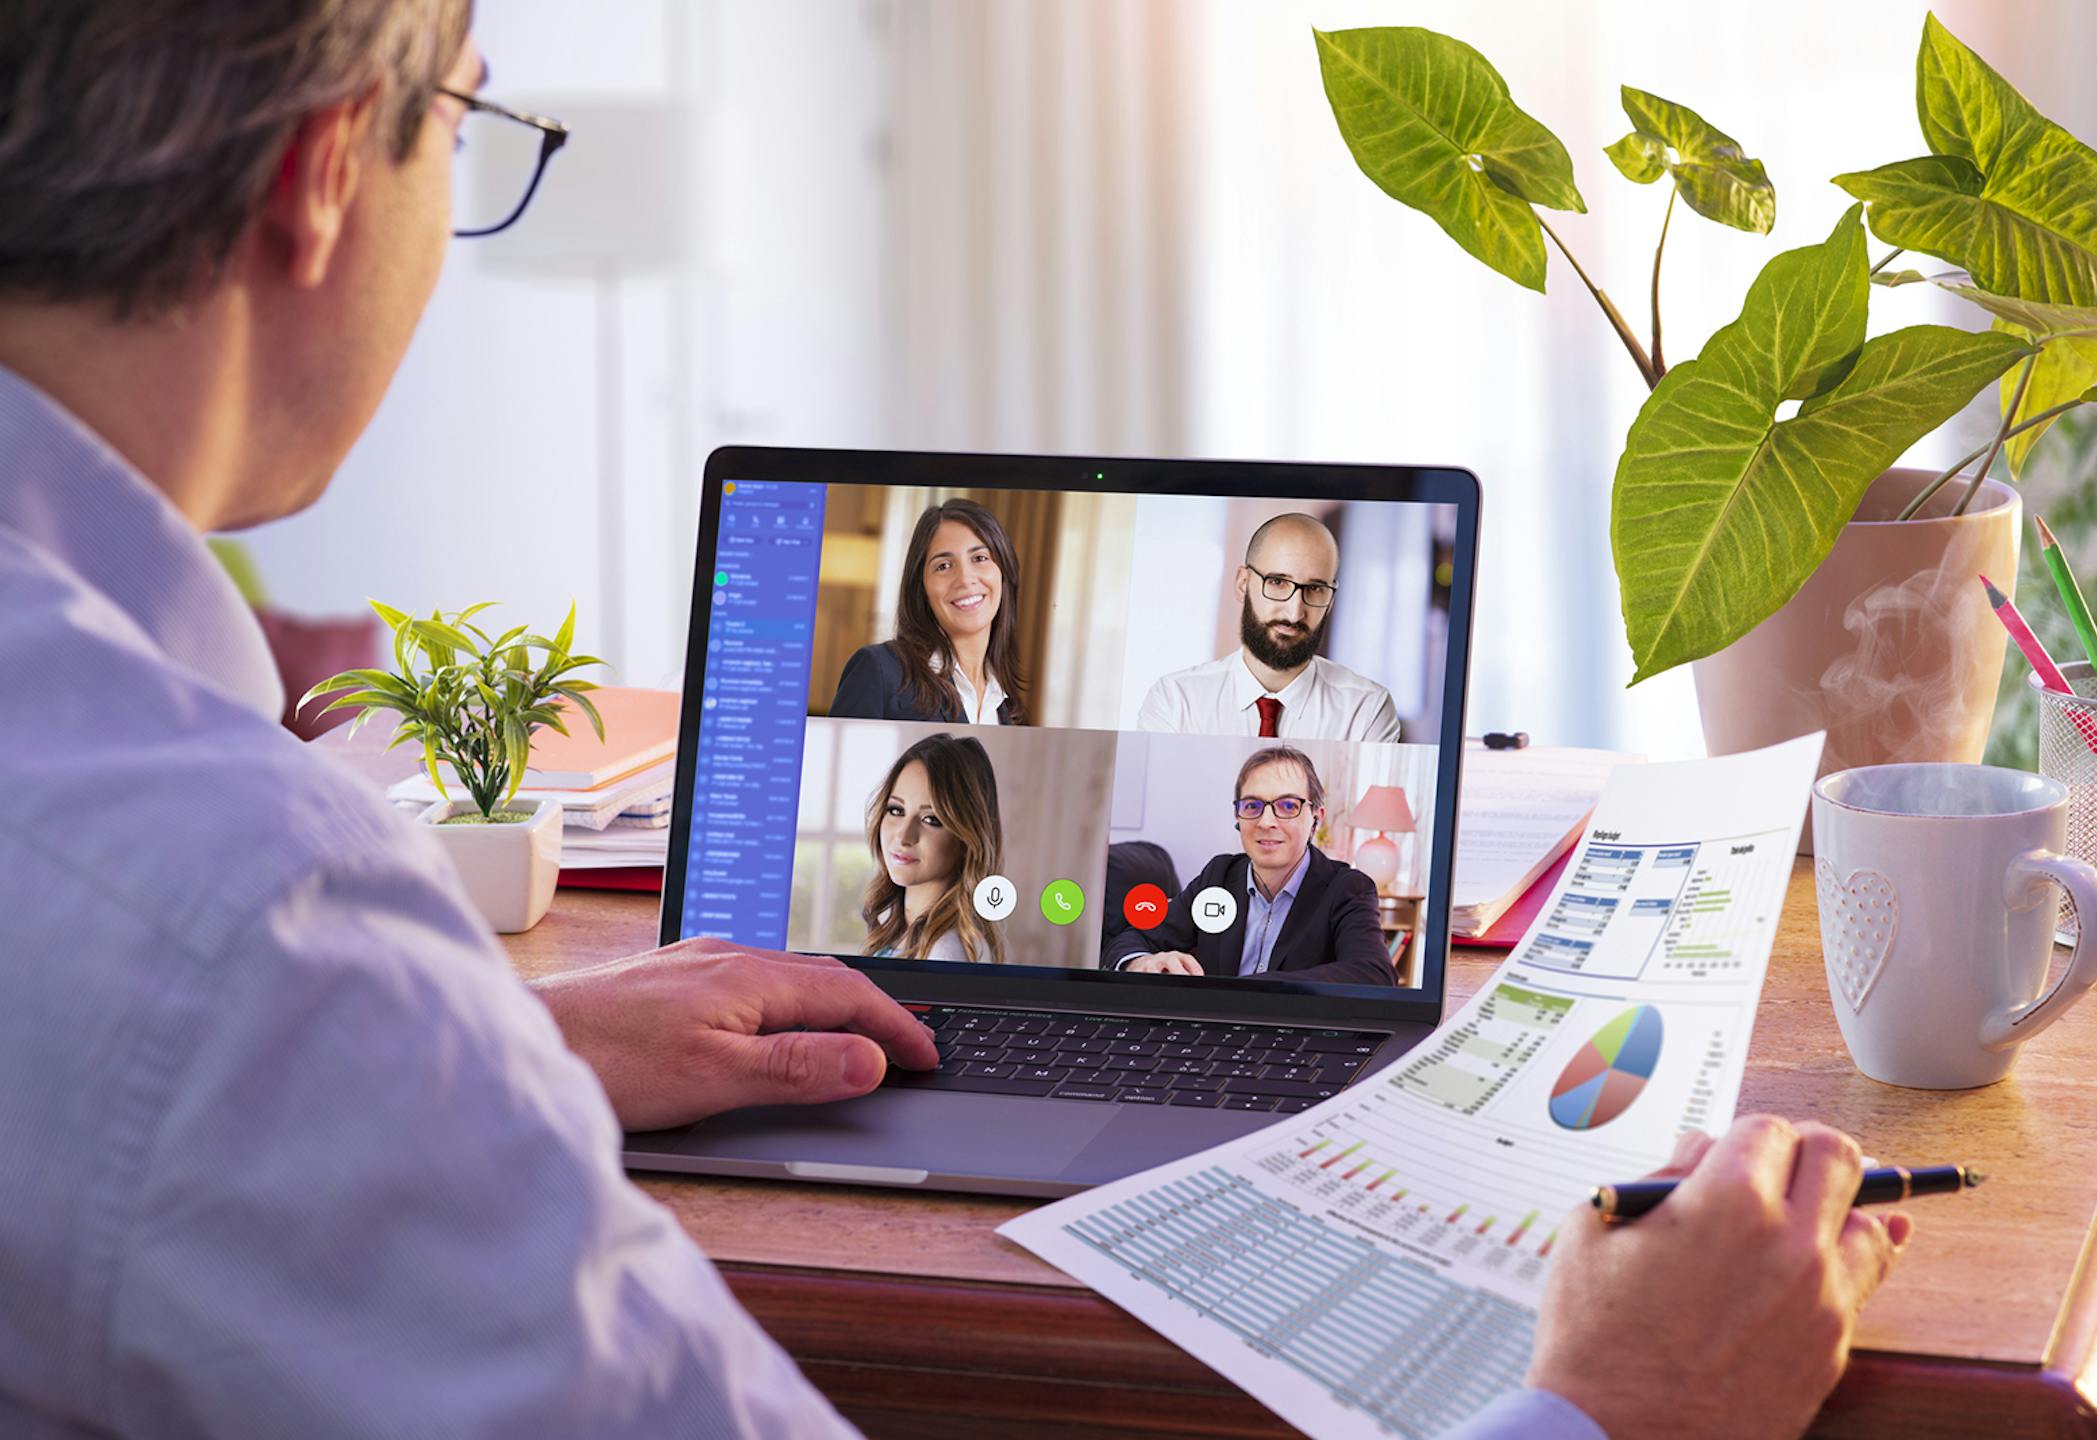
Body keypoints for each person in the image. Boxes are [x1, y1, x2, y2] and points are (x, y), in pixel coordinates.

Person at [0, 5, 1908, 1437]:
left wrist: (479, 1044)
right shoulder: (251, 930)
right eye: (467, 114)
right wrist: (1611, 1403)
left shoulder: (208, 910)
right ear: (328, 164)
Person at [1103, 746, 1395, 987]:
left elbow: (1375, 974)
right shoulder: (1218, 877)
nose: (1266, 822)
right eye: (1252, 806)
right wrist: (1140, 961)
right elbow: (1132, 937)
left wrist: (1254, 990)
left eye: (1288, 806)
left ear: (1315, 818)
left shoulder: (1347, 888)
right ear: (1238, 816)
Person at [1138, 511, 1400, 742]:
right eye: (1277, 582)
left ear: (1331, 599)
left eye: (1316, 589)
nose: (1295, 611)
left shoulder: (1366, 710)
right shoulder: (1175, 702)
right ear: (1243, 583)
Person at [828, 498, 1025, 725]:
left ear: (1003, 572)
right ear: (921, 587)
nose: (965, 579)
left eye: (979, 558)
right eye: (943, 566)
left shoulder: (1008, 709)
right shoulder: (880, 671)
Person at [859, 732, 1005, 964]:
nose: (904, 836)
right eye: (896, 810)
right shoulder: (899, 932)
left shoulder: (945, 952)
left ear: (967, 839)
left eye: (931, 820)